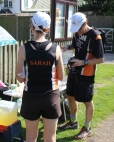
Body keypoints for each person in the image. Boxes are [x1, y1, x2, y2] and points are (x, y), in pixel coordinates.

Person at [16, 11, 65, 142]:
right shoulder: (56, 49)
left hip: (31, 97)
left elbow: (20, 78)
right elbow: (60, 76)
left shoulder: (23, 49)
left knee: (31, 137)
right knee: (50, 137)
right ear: (47, 29)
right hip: (51, 97)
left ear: (32, 26)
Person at [58, 12, 104, 140]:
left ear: (86, 23)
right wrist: (66, 47)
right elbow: (75, 45)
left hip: (87, 73)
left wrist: (83, 62)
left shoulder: (96, 37)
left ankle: (87, 128)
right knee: (70, 96)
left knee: (87, 101)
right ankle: (73, 123)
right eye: (75, 29)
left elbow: (100, 59)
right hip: (74, 70)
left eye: (79, 29)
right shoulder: (77, 32)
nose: (78, 31)